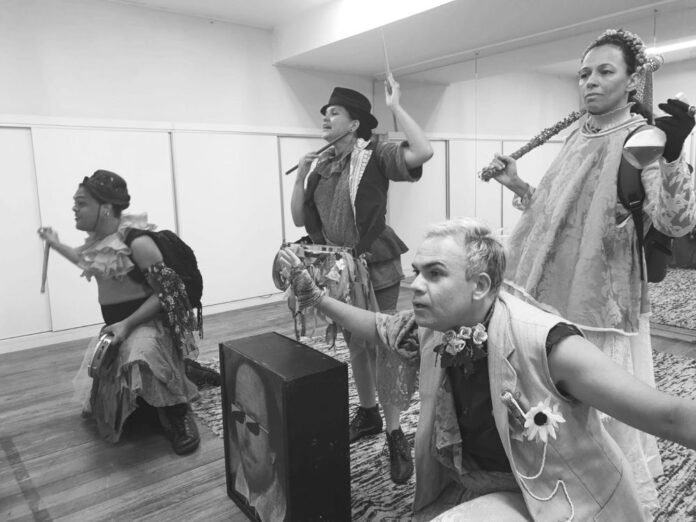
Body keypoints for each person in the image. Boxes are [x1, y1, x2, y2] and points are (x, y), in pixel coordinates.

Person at [277, 217, 696, 521]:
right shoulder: (435, 326)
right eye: (417, 272)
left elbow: (669, 416)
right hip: (485, 485)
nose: (415, 285)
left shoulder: (549, 344)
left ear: (479, 286)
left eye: (435, 274)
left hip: (564, 495)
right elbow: (378, 327)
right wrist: (316, 298)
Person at [486, 28, 696, 514]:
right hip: (537, 295)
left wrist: (673, 156)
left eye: (605, 72)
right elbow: (552, 211)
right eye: (584, 74)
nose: (590, 82)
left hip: (598, 302)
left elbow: (676, 221)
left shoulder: (643, 137)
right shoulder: (578, 133)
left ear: (632, 80)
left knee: (602, 422)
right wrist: (517, 184)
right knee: (545, 411)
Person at [288, 77, 434, 483]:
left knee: (384, 343)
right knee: (357, 343)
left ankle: (394, 431)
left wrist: (396, 106)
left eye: (334, 113)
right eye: (324, 112)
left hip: (375, 264)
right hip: (338, 270)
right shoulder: (321, 167)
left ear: (354, 124)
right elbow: (299, 219)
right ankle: (369, 412)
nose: (325, 117)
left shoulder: (375, 155)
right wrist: (300, 175)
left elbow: (423, 151)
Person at [37, 170, 201, 455]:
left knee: (142, 352)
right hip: (120, 325)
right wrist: (56, 242)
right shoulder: (99, 242)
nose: (74, 208)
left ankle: (178, 412)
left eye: (81, 203)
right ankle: (185, 372)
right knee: (125, 408)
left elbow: (167, 293)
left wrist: (128, 324)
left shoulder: (138, 243)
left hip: (150, 324)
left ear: (106, 208)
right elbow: (84, 260)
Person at [227, 360, 286, 522]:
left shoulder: (281, 512)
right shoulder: (234, 481)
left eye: (254, 425)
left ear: (274, 446)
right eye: (239, 414)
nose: (243, 438)